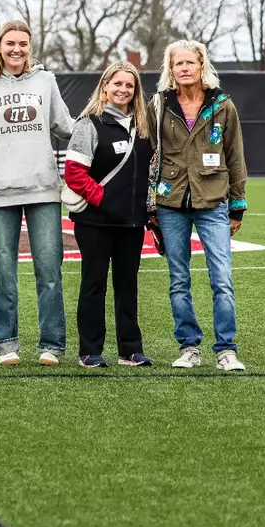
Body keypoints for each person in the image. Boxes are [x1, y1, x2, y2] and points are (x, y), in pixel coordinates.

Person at [0, 20, 74, 367]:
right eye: (10, 43)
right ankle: (6, 344)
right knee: (4, 273)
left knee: (49, 270)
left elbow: (65, 126)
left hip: (43, 188)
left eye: (23, 44)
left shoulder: (46, 82)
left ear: (31, 47)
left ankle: (52, 344)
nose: (16, 49)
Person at [151, 40, 249, 372]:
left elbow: (235, 157)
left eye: (189, 62)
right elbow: (150, 154)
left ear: (201, 64)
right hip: (171, 202)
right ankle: (189, 347)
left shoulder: (223, 105)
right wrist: (150, 207)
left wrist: (237, 206)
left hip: (213, 203)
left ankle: (226, 350)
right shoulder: (159, 105)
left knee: (221, 278)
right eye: (177, 63)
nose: (184, 68)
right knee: (179, 279)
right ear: (171, 68)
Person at [65, 62, 155, 368]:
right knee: (94, 284)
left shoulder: (143, 127)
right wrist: (105, 200)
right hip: (95, 222)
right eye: (117, 83)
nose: (123, 89)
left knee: (128, 286)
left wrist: (146, 210)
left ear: (136, 91)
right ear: (105, 87)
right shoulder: (89, 124)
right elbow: (75, 174)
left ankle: (130, 350)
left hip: (132, 224)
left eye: (129, 85)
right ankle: (90, 351)